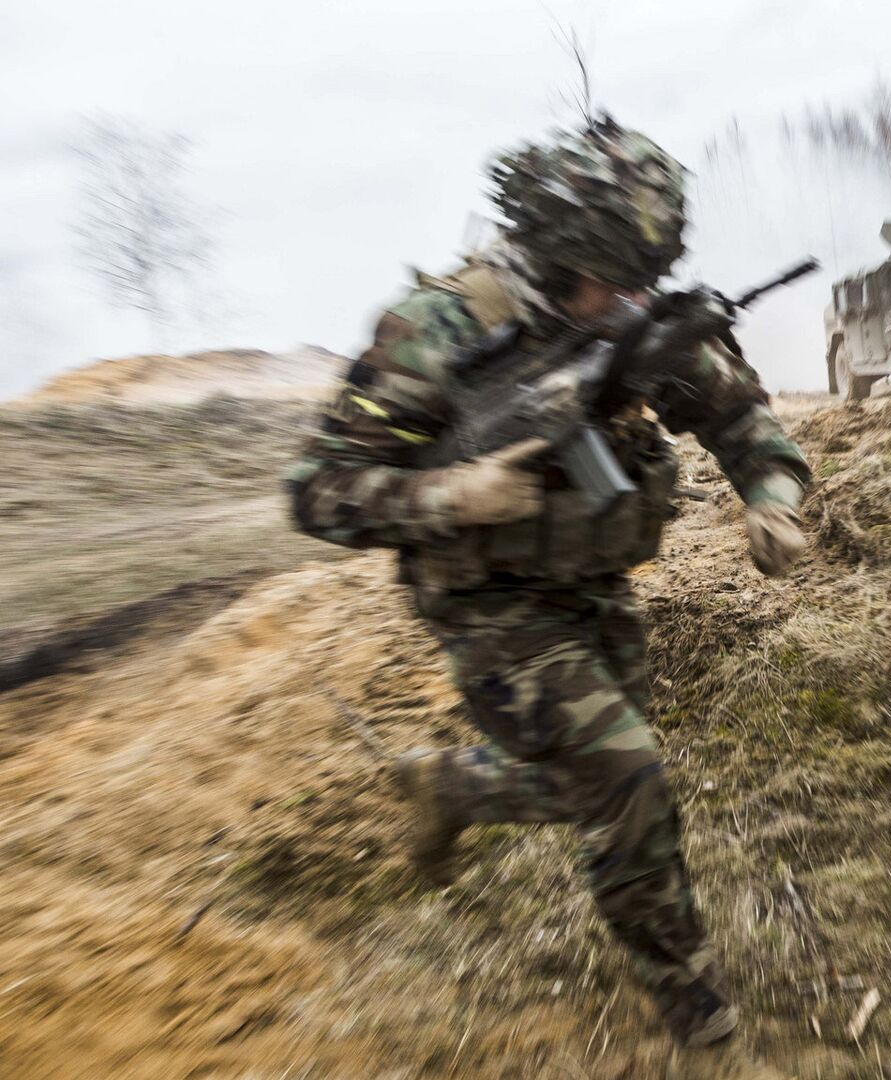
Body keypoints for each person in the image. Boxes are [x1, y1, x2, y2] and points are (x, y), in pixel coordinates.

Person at [285, 117, 809, 1049]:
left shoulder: (634, 320)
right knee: (623, 772)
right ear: (553, 253)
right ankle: (682, 984)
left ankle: (450, 787)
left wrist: (773, 499)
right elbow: (318, 493)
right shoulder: (436, 329)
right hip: (481, 598)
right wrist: (453, 492)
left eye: (643, 277)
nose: (630, 297)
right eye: (612, 278)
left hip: (591, 581)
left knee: (588, 782)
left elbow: (741, 418)